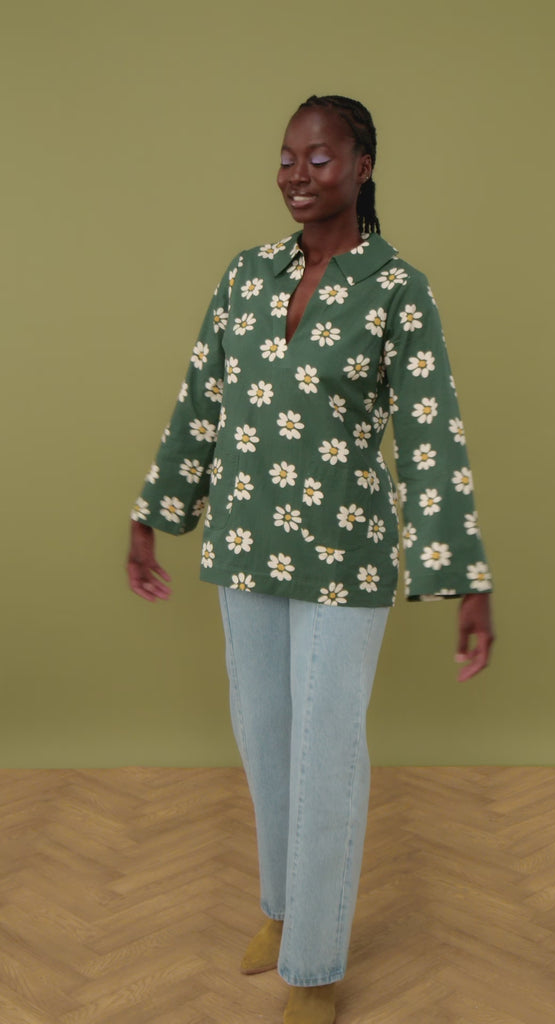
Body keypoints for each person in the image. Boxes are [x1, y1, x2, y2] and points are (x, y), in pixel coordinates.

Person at [127, 95, 494, 1024]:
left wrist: (463, 576)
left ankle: (317, 965)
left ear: (363, 165)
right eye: (288, 157)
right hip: (244, 542)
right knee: (266, 741)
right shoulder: (247, 275)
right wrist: (155, 513)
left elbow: (432, 437)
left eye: (319, 158)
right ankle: (284, 912)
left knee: (326, 751)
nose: (297, 174)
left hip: (344, 556)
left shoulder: (397, 290)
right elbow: (201, 399)